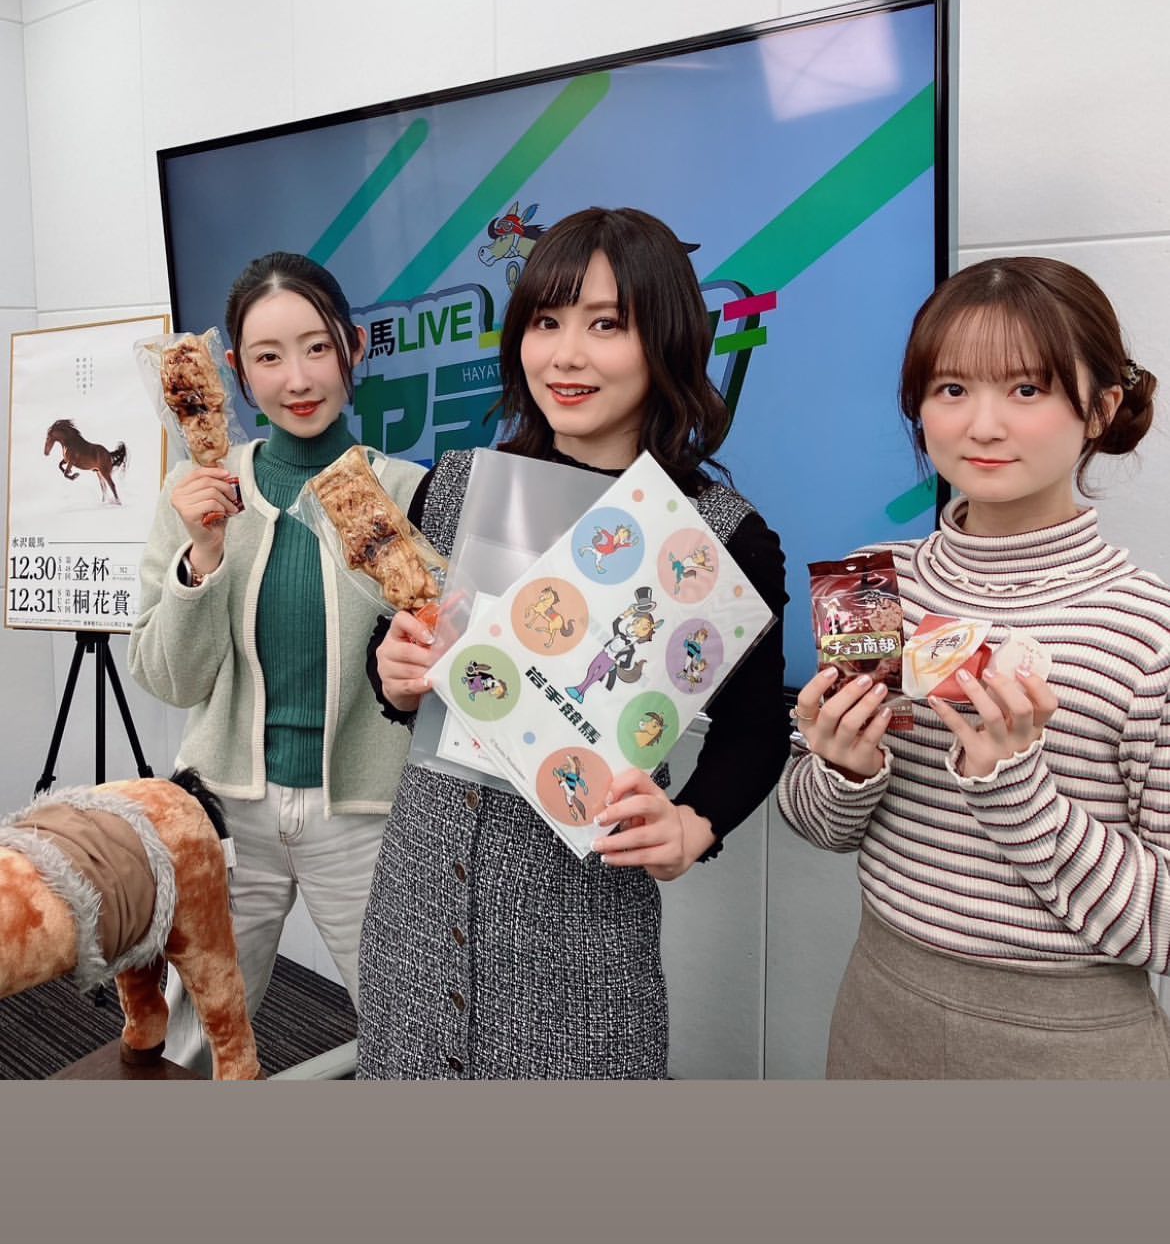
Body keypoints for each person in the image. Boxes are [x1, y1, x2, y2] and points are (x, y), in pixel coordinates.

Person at [360, 206, 788, 1080]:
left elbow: (755, 731)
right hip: (415, 909)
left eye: (606, 325)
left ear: (666, 338)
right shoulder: (458, 486)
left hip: (579, 941)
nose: (565, 355)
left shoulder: (719, 536)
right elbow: (401, 656)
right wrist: (394, 673)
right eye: (546, 322)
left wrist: (695, 825)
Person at [777, 255, 1170, 1079]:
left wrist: (1015, 788)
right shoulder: (870, 584)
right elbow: (817, 826)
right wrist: (843, 769)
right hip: (880, 1008)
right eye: (951, 389)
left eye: (1027, 389)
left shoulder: (1151, 635)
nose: (982, 426)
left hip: (1075, 1049)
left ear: (1101, 409)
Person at [130, 251, 423, 1073]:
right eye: (268, 356)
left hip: (364, 812)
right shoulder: (199, 492)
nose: (297, 379)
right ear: (235, 370)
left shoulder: (407, 493)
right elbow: (168, 678)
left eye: (317, 348)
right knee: (193, 1036)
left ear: (354, 348)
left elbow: (439, 673)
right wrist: (202, 556)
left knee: (408, 1026)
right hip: (227, 813)